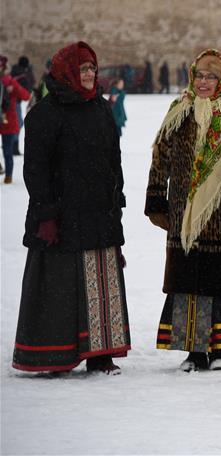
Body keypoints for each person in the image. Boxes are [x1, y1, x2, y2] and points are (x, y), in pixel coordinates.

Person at [12, 41, 130, 374]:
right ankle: (54, 355)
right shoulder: (46, 114)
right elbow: (36, 169)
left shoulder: (101, 108)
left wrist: (116, 198)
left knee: (99, 284)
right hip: (61, 214)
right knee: (60, 285)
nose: (90, 74)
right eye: (83, 69)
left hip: (98, 213)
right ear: (67, 72)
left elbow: (113, 159)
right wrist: (46, 213)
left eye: (92, 67)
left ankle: (100, 353)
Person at [146, 49, 221, 372]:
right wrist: (156, 200)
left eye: (211, 77)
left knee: (220, 283)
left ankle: (219, 349)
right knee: (187, 283)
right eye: (199, 75)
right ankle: (194, 351)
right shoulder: (179, 111)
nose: (204, 82)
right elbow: (160, 159)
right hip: (183, 215)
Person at [1, 56, 31, 183]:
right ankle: (7, 175)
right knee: (7, 150)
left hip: (7, 120)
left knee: (7, 150)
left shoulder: (9, 81)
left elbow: (26, 96)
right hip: (8, 119)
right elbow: (26, 95)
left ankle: (8, 175)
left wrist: (14, 89)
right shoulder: (9, 81)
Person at [10, 56, 35, 155]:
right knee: (18, 123)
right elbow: (28, 86)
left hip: (12, 101)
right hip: (15, 101)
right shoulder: (23, 74)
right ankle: (13, 146)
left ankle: (12, 144)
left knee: (16, 123)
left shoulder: (13, 71)